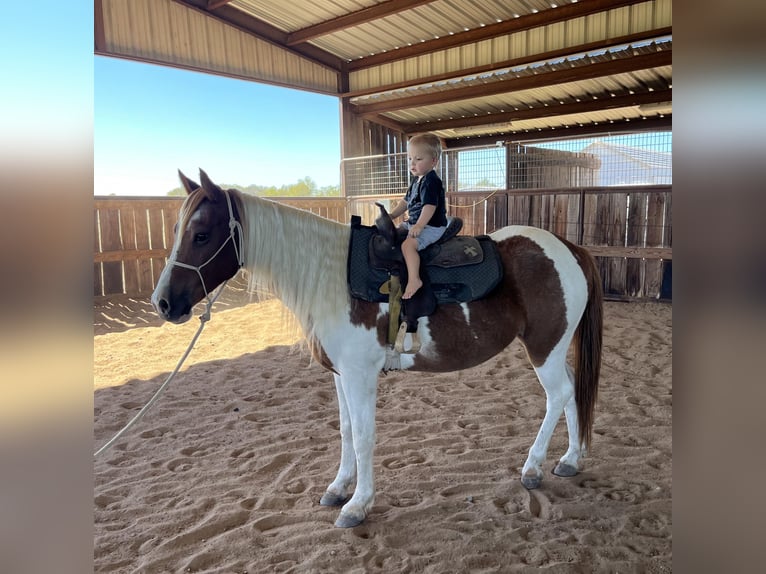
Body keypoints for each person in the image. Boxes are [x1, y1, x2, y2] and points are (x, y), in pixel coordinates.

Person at [388, 133, 448, 299]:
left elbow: (429, 206)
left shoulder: (431, 181)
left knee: (408, 245)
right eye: (409, 159)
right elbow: (405, 202)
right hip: (415, 222)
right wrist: (392, 215)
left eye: (418, 159)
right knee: (396, 232)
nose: (412, 163)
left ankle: (414, 279)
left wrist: (420, 226)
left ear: (433, 161)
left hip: (431, 225)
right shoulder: (416, 180)